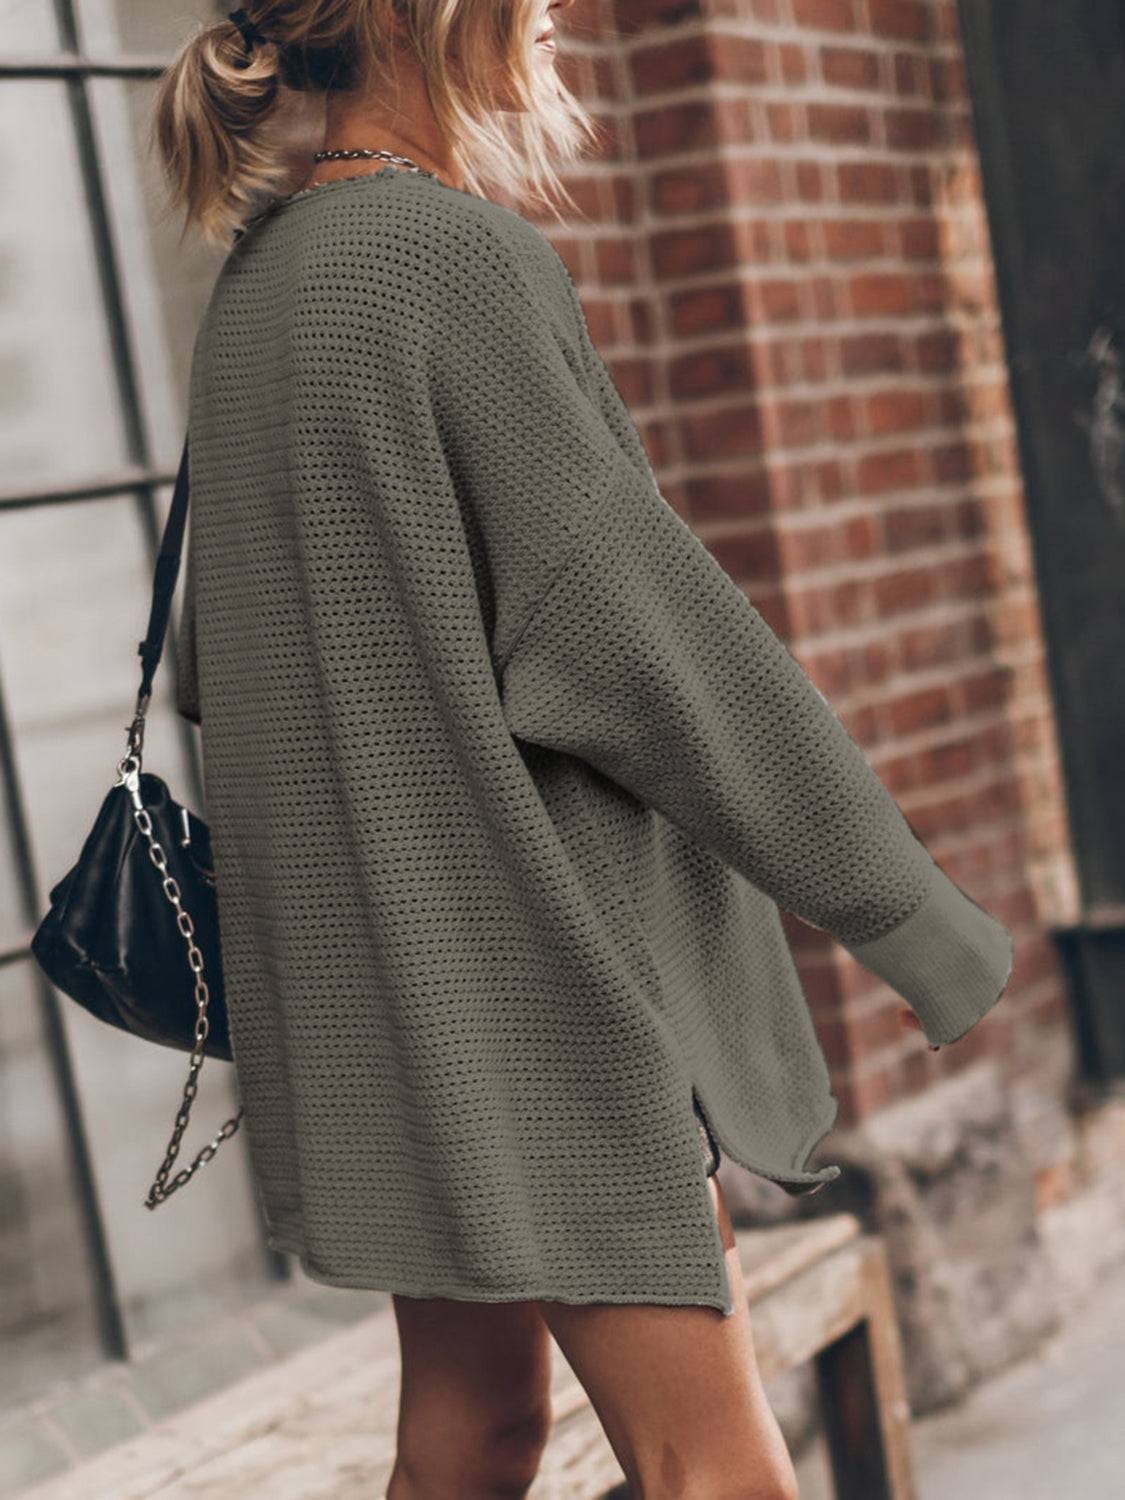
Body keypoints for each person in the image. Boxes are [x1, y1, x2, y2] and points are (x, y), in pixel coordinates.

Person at [152, 5, 1014, 1497]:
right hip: (539, 993)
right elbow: (654, 650)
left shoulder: (260, 286)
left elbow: (223, 673)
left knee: (470, 1432)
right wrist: (908, 916)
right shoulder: (454, 264)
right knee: (713, 1469)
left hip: (382, 995)